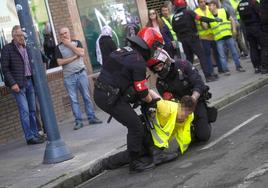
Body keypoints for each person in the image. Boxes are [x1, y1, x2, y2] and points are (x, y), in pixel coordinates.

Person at [93, 27, 177, 173]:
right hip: (108, 96)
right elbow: (143, 92)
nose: (156, 51)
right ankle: (135, 163)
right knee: (135, 126)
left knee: (139, 120)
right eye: (156, 47)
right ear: (150, 45)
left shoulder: (125, 51)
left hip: (105, 93)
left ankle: (156, 153)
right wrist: (154, 100)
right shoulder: (138, 61)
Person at [146, 45, 218, 142]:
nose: (159, 69)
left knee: (203, 136)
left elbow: (199, 83)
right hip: (180, 108)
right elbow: (168, 102)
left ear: (166, 62)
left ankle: (205, 117)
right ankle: (190, 130)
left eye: (160, 65)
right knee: (187, 139)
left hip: (195, 101)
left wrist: (193, 98)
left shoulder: (183, 65)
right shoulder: (160, 83)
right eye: (156, 68)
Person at [0, 25, 44, 145]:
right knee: (24, 111)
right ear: (13, 36)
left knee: (32, 110)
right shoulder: (7, 49)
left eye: (22, 36)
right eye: (19, 36)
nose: (21, 38)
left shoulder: (27, 48)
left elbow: (39, 60)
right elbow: (5, 69)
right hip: (18, 85)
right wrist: (13, 83)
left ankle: (35, 134)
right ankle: (29, 137)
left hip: (30, 81)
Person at [55, 27, 102, 130]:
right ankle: (78, 121)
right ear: (59, 36)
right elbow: (60, 62)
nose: (64, 35)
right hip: (69, 77)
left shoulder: (77, 42)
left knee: (86, 96)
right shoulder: (58, 48)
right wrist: (73, 57)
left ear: (69, 33)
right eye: (61, 34)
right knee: (73, 99)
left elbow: (81, 53)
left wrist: (69, 45)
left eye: (65, 33)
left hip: (81, 74)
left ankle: (91, 117)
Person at [172, 0, 221, 82]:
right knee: (202, 56)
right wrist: (214, 20)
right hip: (193, 38)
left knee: (189, 60)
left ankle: (190, 79)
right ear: (184, 4)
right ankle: (208, 76)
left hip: (184, 41)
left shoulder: (174, 17)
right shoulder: (188, 12)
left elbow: (174, 29)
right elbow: (200, 18)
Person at [208, 0, 246, 74]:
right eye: (209, 6)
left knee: (234, 52)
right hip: (219, 38)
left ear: (215, 6)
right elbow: (207, 27)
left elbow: (231, 20)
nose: (209, 7)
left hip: (228, 35)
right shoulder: (209, 17)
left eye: (211, 5)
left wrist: (234, 29)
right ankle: (226, 70)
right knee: (222, 55)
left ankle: (239, 67)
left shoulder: (223, 11)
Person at [195, 0, 223, 75]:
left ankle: (221, 68)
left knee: (217, 52)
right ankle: (211, 71)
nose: (203, 3)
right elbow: (199, 23)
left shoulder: (209, 8)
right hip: (204, 36)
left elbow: (214, 15)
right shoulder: (196, 12)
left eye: (204, 1)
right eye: (201, 2)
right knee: (207, 55)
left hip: (214, 34)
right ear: (198, 4)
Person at [237, 0, 264, 73]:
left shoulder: (240, 4)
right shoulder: (253, 2)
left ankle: (256, 67)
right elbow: (260, 14)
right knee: (263, 46)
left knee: (253, 48)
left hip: (247, 29)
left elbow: (241, 17)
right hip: (256, 27)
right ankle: (263, 65)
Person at [259, 0, 268, 73]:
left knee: (265, 47)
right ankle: (265, 66)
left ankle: (264, 66)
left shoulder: (261, 3)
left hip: (263, 27)